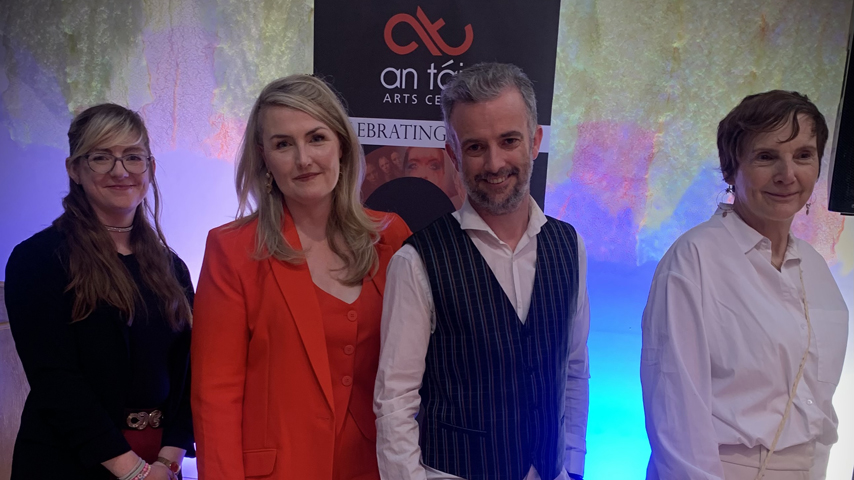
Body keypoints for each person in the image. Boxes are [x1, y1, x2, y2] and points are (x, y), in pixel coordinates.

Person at [375, 62, 590, 480]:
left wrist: (573, 465)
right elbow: (395, 400)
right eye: (475, 147)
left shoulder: (570, 246)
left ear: (535, 141)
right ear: (454, 153)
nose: (494, 163)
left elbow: (575, 369)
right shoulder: (417, 260)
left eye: (509, 141)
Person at [191, 75, 411, 480]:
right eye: (283, 144)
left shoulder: (392, 238)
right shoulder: (233, 250)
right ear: (265, 159)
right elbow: (215, 396)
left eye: (316, 138)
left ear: (341, 145)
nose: (304, 159)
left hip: (375, 469)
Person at [640, 91, 849, 480]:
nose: (788, 174)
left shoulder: (817, 270)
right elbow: (676, 417)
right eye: (766, 156)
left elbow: (818, 412)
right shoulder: (694, 260)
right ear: (730, 168)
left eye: (803, 155)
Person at [4, 104, 194, 479]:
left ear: (150, 168)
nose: (120, 171)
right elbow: (56, 382)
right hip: (68, 462)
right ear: (74, 169)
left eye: (133, 157)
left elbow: (189, 372)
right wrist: (134, 472)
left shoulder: (172, 267)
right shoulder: (38, 259)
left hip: (160, 464)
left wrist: (168, 461)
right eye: (101, 157)